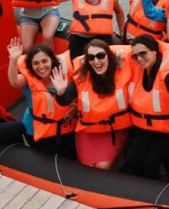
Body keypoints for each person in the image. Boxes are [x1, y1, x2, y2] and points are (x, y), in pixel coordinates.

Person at [53, 40, 132, 169]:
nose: (96, 61)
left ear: (109, 56)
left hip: (114, 130)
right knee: (87, 167)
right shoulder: (81, 78)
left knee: (102, 166)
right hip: (88, 131)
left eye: (100, 56)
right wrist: (61, 91)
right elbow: (65, 100)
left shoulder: (124, 72)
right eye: (91, 58)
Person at [126, 35, 169, 180]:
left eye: (143, 53)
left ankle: (158, 191)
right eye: (135, 56)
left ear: (154, 51)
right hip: (146, 128)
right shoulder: (138, 71)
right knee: (132, 158)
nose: (140, 59)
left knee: (151, 162)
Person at [6, 38, 76, 158]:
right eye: (36, 63)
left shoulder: (65, 75)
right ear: (31, 66)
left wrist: (75, 107)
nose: (41, 66)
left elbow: (80, 95)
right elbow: (15, 82)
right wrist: (13, 60)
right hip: (36, 129)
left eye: (44, 61)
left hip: (65, 127)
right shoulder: (28, 79)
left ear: (52, 60)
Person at [51, 0, 125, 59]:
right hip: (79, 37)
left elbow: (119, 12)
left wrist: (122, 31)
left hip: (101, 36)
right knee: (77, 63)